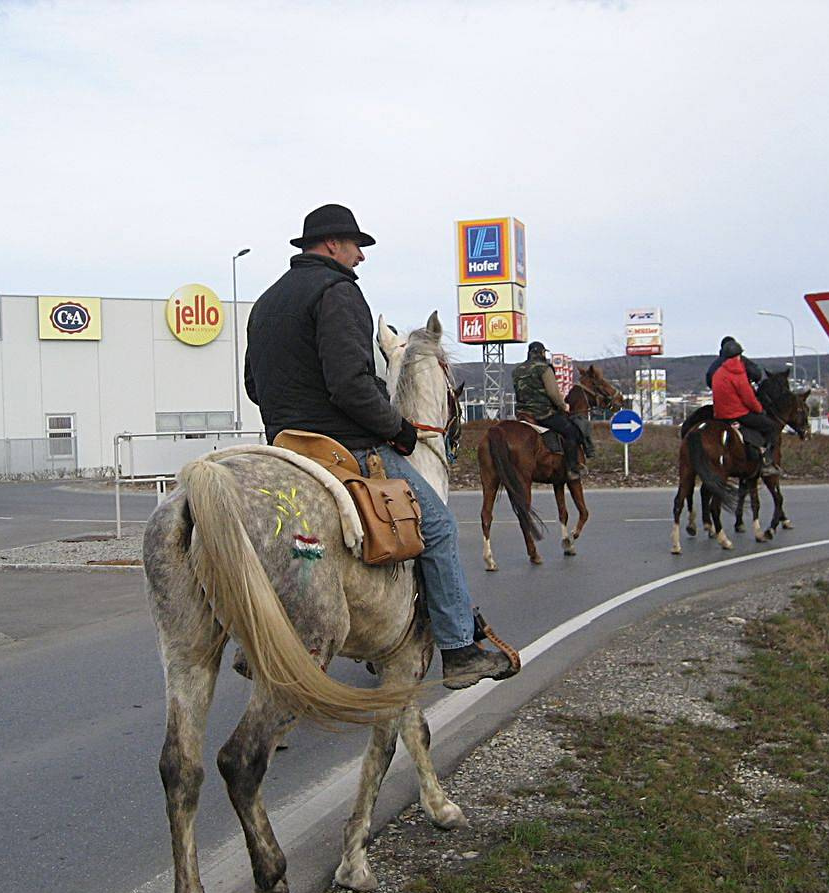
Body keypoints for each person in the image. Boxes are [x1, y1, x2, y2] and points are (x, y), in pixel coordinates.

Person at [245, 203, 514, 689]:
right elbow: (350, 385)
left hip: (283, 448)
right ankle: (459, 649)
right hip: (342, 445)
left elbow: (253, 386)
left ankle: (257, 641)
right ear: (332, 245)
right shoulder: (339, 293)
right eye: (356, 247)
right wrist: (399, 430)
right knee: (438, 527)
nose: (360, 258)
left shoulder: (265, 302)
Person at [512, 341, 584, 480]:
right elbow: (553, 393)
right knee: (571, 431)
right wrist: (563, 406)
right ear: (542, 353)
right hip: (543, 413)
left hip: (523, 414)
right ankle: (572, 467)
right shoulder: (544, 368)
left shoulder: (517, 370)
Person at [710, 339, 780, 477]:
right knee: (772, 427)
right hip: (738, 414)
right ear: (738, 356)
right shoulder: (738, 373)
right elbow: (749, 398)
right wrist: (760, 409)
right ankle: (767, 462)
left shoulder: (718, 373)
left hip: (719, 415)